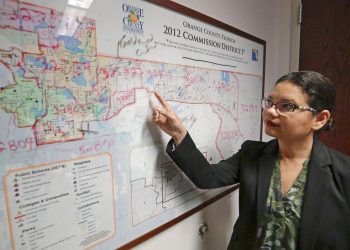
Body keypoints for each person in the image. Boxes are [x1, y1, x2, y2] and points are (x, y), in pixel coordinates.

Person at [152, 71, 350, 250]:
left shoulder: (343, 173)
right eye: (270, 102)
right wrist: (179, 133)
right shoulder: (252, 154)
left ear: (320, 119)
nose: (270, 111)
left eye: (287, 106)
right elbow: (208, 177)